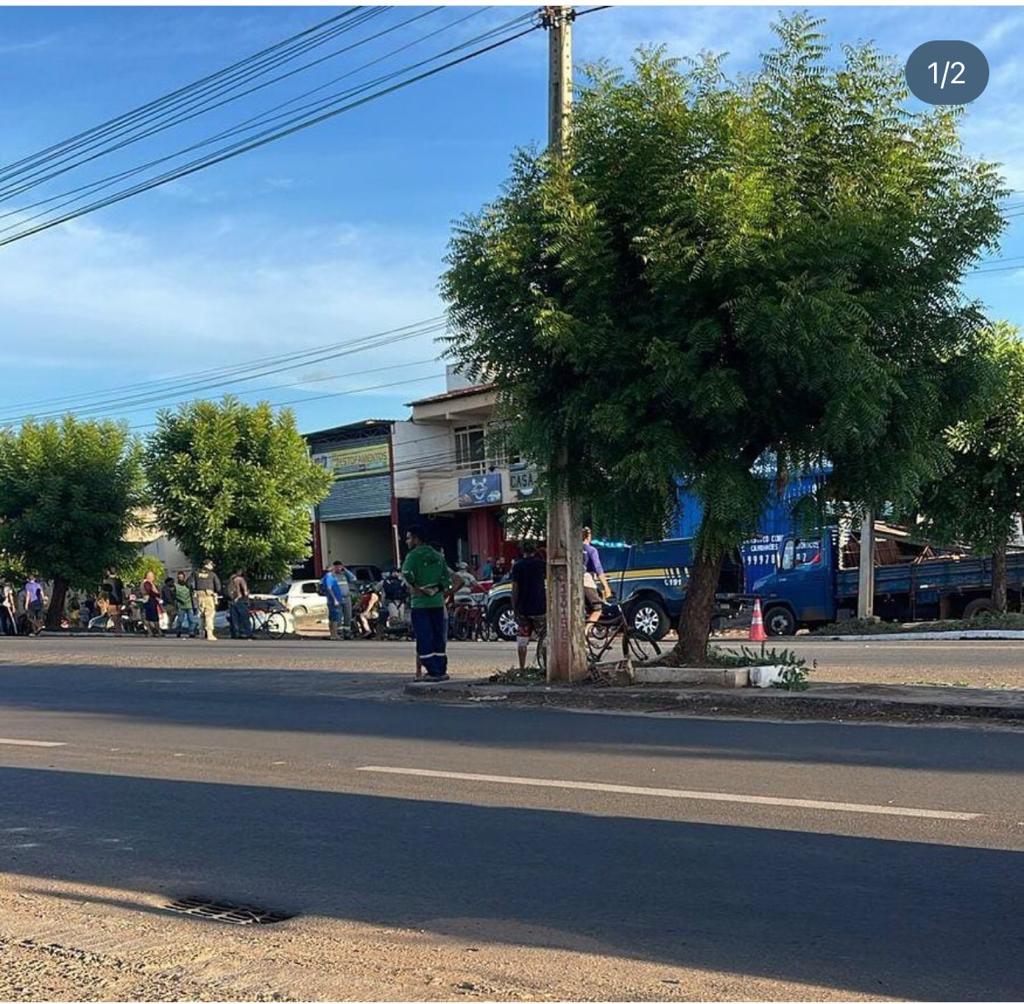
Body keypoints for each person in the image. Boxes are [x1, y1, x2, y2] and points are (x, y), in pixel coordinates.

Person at [401, 526, 451, 681]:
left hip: (420, 604)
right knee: (438, 637)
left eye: (409, 538)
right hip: (437, 602)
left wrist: (416, 586)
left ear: (416, 539)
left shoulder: (413, 556)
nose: (407, 541)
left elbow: (406, 573)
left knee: (424, 637)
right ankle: (441, 669)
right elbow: (446, 578)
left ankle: (432, 670)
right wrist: (436, 589)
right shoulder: (437, 555)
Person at [511, 540, 547, 671]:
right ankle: (545, 666)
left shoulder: (517, 566)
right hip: (540, 608)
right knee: (544, 638)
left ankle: (522, 668)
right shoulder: (541, 565)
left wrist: (515, 609)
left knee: (522, 640)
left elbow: (515, 589)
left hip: (523, 609)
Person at [583, 526, 612, 632]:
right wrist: (606, 587)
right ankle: (585, 632)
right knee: (597, 609)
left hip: (572, 582)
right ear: (588, 536)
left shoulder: (574, 550)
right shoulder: (591, 550)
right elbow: (598, 568)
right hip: (586, 581)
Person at [189, 561, 221, 641]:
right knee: (209, 615)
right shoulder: (212, 574)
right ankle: (210, 634)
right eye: (211, 565)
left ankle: (201, 633)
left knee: (201, 615)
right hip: (209, 596)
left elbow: (189, 583)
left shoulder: (195, 573)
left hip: (199, 596)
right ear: (207, 565)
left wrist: (194, 590)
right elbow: (218, 587)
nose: (212, 567)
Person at [320, 561, 347, 641]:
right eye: (333, 567)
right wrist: (335, 599)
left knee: (332, 618)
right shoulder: (329, 577)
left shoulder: (330, 576)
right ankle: (334, 635)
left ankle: (332, 635)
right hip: (333, 600)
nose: (334, 568)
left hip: (333, 600)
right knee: (335, 618)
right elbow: (329, 588)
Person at [227, 569, 252, 639]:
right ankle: (247, 633)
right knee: (244, 618)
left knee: (235, 618)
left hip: (232, 600)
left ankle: (235, 633)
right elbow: (245, 591)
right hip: (241, 600)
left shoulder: (231, 579)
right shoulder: (240, 579)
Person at [173, 571, 197, 638]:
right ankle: (178, 631)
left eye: (181, 577)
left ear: (184, 577)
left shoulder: (188, 585)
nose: (180, 578)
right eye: (179, 577)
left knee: (191, 619)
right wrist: (178, 601)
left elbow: (192, 594)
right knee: (180, 620)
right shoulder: (175, 586)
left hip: (189, 605)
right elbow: (174, 596)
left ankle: (191, 632)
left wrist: (194, 605)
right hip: (180, 605)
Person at [141, 570, 162, 637]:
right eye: (151, 576)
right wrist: (157, 594)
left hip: (148, 601)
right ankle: (157, 631)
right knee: (153, 618)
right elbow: (150, 591)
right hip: (150, 601)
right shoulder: (147, 583)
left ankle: (152, 632)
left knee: (148, 618)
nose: (153, 577)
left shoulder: (148, 583)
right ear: (147, 576)